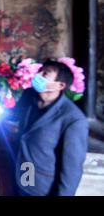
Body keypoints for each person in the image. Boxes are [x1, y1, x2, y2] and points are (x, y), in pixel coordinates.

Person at [13, 59, 89, 196]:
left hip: (43, 189)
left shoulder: (73, 120)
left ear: (60, 85)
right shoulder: (30, 96)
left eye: (45, 74)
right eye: (40, 71)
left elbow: (71, 170)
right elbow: (13, 118)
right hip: (24, 178)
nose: (38, 76)